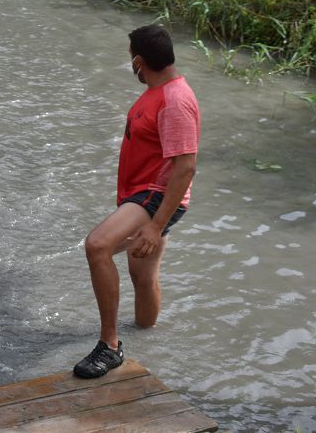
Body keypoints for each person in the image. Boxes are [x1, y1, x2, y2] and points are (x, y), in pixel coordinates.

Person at [73, 25, 200, 379]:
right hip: (143, 194)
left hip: (154, 195)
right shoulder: (159, 92)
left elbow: (186, 167)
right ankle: (149, 343)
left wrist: (156, 224)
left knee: (97, 246)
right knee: (142, 275)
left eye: (131, 58)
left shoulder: (175, 101)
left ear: (139, 61)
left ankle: (110, 347)